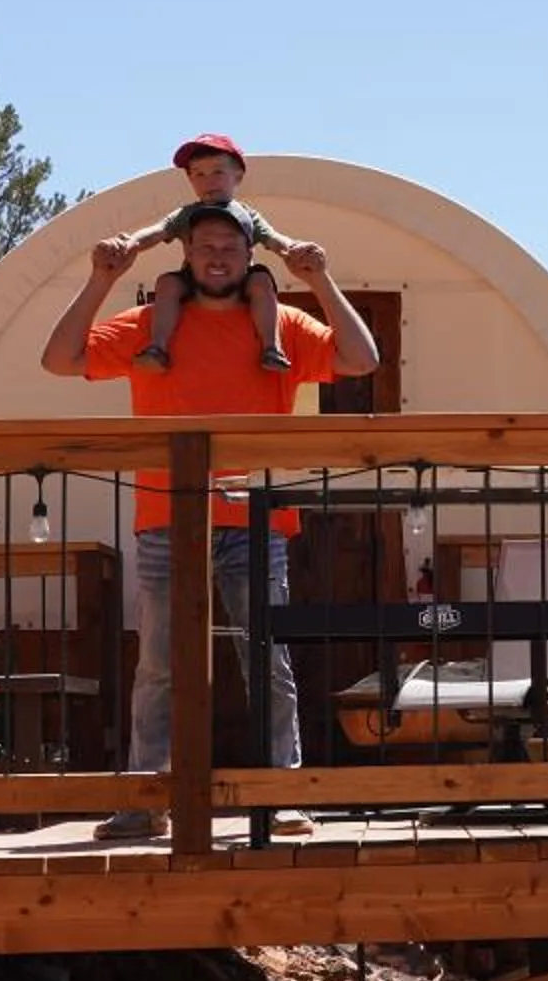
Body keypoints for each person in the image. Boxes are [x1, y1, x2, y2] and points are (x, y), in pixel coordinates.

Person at [41, 199, 381, 842]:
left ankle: (280, 797)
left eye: (229, 246)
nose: (217, 256)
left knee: (269, 661)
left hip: (256, 526)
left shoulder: (277, 323)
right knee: (159, 665)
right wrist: (100, 279)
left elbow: (362, 361)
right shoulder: (150, 326)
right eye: (204, 247)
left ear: (250, 257)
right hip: (166, 523)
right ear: (186, 256)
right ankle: (146, 800)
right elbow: (60, 359)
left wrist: (320, 281)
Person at [103, 133, 306, 373]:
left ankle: (272, 348)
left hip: (238, 280)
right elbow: (157, 231)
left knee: (262, 281)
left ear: (237, 176)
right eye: (199, 174)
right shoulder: (185, 214)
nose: (208, 181)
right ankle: (158, 347)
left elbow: (273, 239)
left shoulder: (246, 214)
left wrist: (293, 248)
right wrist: (131, 243)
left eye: (217, 172)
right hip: (196, 280)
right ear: (190, 179)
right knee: (167, 283)